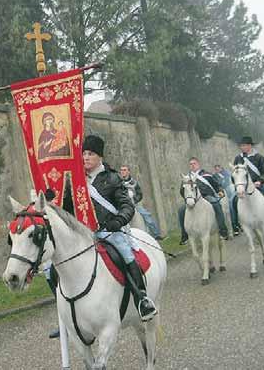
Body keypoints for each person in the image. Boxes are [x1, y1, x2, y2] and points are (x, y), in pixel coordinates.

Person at [63, 135, 158, 321]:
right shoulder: (76, 180)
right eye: (83, 153)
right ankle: (68, 312)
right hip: (84, 234)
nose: (85, 157)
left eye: (90, 153)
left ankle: (142, 299)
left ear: (100, 156)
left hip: (109, 231)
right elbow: (67, 208)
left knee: (126, 254)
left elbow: (127, 206)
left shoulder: (113, 178)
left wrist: (118, 221)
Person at [232, 136, 264, 236]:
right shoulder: (238, 158)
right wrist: (236, 184)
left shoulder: (259, 157)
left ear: (250, 146)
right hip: (243, 186)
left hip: (257, 184)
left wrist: (260, 181)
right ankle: (236, 224)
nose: (242, 147)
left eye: (244, 145)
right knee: (232, 200)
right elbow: (234, 172)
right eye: (241, 146)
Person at [178, 157, 229, 245]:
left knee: (216, 204)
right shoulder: (187, 178)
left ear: (198, 164)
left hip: (207, 196)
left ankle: (223, 230)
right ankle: (185, 235)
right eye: (190, 164)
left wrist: (220, 191)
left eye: (194, 163)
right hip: (194, 200)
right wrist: (188, 199)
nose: (192, 165)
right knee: (181, 210)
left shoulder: (207, 175)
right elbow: (182, 191)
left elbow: (216, 185)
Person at [119, 165, 163, 240]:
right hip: (123, 206)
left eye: (124, 170)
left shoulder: (134, 182)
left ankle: (156, 234)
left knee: (147, 216)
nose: (122, 172)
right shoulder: (119, 183)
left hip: (134, 204)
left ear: (128, 171)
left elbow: (140, 194)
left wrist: (134, 200)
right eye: (121, 170)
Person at [214, 164, 236, 231]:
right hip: (223, 193)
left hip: (229, 191)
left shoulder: (226, 173)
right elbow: (217, 184)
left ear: (221, 168)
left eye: (218, 169)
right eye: (216, 169)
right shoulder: (215, 176)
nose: (217, 170)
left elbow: (228, 182)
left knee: (231, 206)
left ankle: (235, 224)